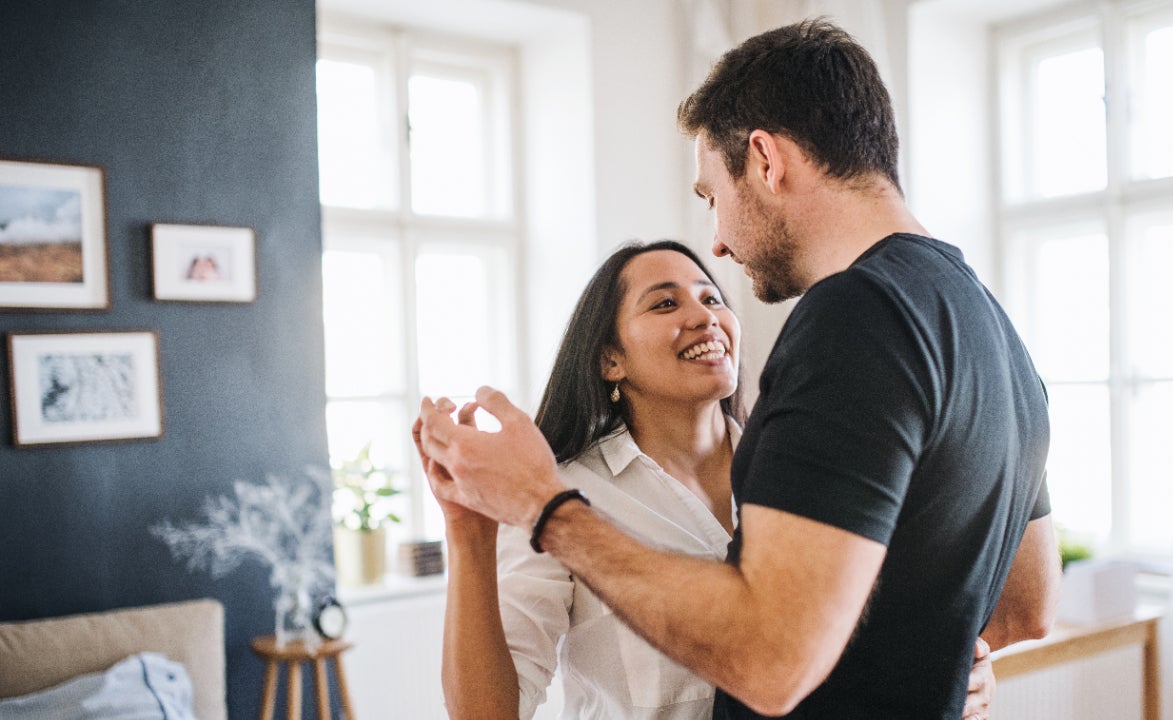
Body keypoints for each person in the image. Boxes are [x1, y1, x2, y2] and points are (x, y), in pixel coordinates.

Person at [417, 18, 1059, 719]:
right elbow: (1025, 607)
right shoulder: (992, 323)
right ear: (607, 356)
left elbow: (771, 662)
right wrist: (927, 669)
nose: (718, 243)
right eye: (664, 302)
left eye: (710, 197)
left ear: (765, 158)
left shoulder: (852, 315)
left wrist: (545, 510)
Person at [413, 240, 997, 719]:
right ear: (609, 361)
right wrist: (468, 534)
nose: (704, 317)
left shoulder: (806, 468)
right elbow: (487, 714)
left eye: (712, 297)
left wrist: (950, 678)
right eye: (664, 305)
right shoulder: (556, 493)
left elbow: (860, 633)